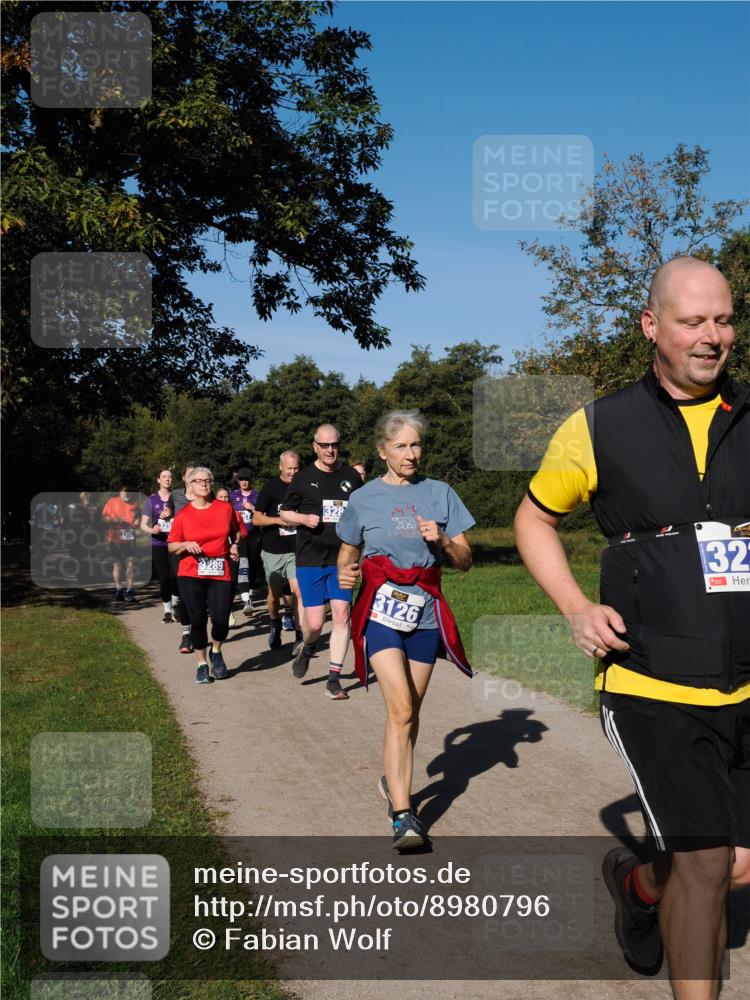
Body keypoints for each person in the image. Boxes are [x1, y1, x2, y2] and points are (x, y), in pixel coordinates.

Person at [513, 257, 750, 996]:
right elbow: (533, 520)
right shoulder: (598, 426)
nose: (711, 337)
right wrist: (576, 607)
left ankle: (639, 885)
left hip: (745, 679)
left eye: (724, 320)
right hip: (652, 678)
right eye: (692, 321)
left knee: (737, 865)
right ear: (651, 325)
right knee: (708, 860)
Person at [336, 410, 475, 849]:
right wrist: (345, 574)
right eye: (401, 446)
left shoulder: (440, 493)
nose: (411, 454)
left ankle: (391, 779)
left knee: (409, 711)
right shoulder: (364, 498)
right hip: (381, 611)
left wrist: (444, 541)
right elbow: (348, 552)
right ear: (382, 451)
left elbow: (465, 561)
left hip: (425, 614)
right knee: (400, 708)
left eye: (416, 445)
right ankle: (403, 815)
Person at [280, 424, 362, 699]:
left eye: (334, 445)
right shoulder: (303, 478)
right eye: (324, 445)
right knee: (314, 624)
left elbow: (362, 511)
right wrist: (303, 518)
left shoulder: (351, 477)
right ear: (315, 447)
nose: (329, 450)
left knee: (341, 614)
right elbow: (285, 513)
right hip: (311, 559)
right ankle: (308, 647)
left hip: (342, 559)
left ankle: (334, 679)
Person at [167, 466, 242, 683]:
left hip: (219, 570)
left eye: (207, 480)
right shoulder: (183, 515)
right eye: (198, 481)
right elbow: (171, 546)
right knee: (197, 619)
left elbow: (236, 532)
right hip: (191, 572)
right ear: (189, 486)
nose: (203, 484)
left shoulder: (225, 509)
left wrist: (234, 545)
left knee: (221, 619)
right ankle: (201, 664)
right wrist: (185, 544)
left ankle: (216, 650)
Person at [254, 450, 304, 650]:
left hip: (297, 549)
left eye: (296, 468)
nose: (293, 472)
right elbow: (257, 519)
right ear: (280, 467)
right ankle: (274, 622)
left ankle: (300, 635)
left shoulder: (304, 486)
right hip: (274, 549)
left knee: (298, 593)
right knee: (274, 595)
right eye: (289, 468)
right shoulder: (271, 487)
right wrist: (278, 520)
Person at [140, 469, 179, 623]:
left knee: (177, 576)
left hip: (175, 542)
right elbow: (143, 525)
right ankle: (167, 611)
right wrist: (152, 530)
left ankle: (176, 606)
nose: (167, 479)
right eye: (164, 477)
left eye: (170, 477)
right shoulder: (151, 500)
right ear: (158, 480)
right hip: (158, 543)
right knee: (165, 578)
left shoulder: (177, 498)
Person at [230, 468, 261, 617]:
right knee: (243, 563)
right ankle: (246, 599)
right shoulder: (233, 495)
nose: (244, 482)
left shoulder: (257, 495)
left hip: (254, 534)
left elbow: (263, 514)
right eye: (241, 480)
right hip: (239, 535)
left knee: (253, 565)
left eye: (247, 480)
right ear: (238, 481)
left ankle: (249, 593)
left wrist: (252, 508)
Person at [172, 462, 196, 652]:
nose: (193, 479)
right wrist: (165, 514)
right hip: (180, 549)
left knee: (198, 595)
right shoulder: (176, 495)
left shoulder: (206, 496)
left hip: (202, 550)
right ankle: (186, 634)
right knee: (185, 592)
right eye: (189, 475)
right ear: (183, 477)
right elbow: (166, 513)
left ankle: (197, 631)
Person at [102, 484, 140, 601]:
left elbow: (138, 516)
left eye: (129, 491)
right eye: (124, 491)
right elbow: (103, 518)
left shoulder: (135, 502)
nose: (127, 493)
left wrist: (137, 521)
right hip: (115, 537)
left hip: (129, 536)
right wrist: (113, 520)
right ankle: (119, 589)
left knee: (130, 564)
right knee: (117, 565)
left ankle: (129, 591)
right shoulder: (112, 502)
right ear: (120, 491)